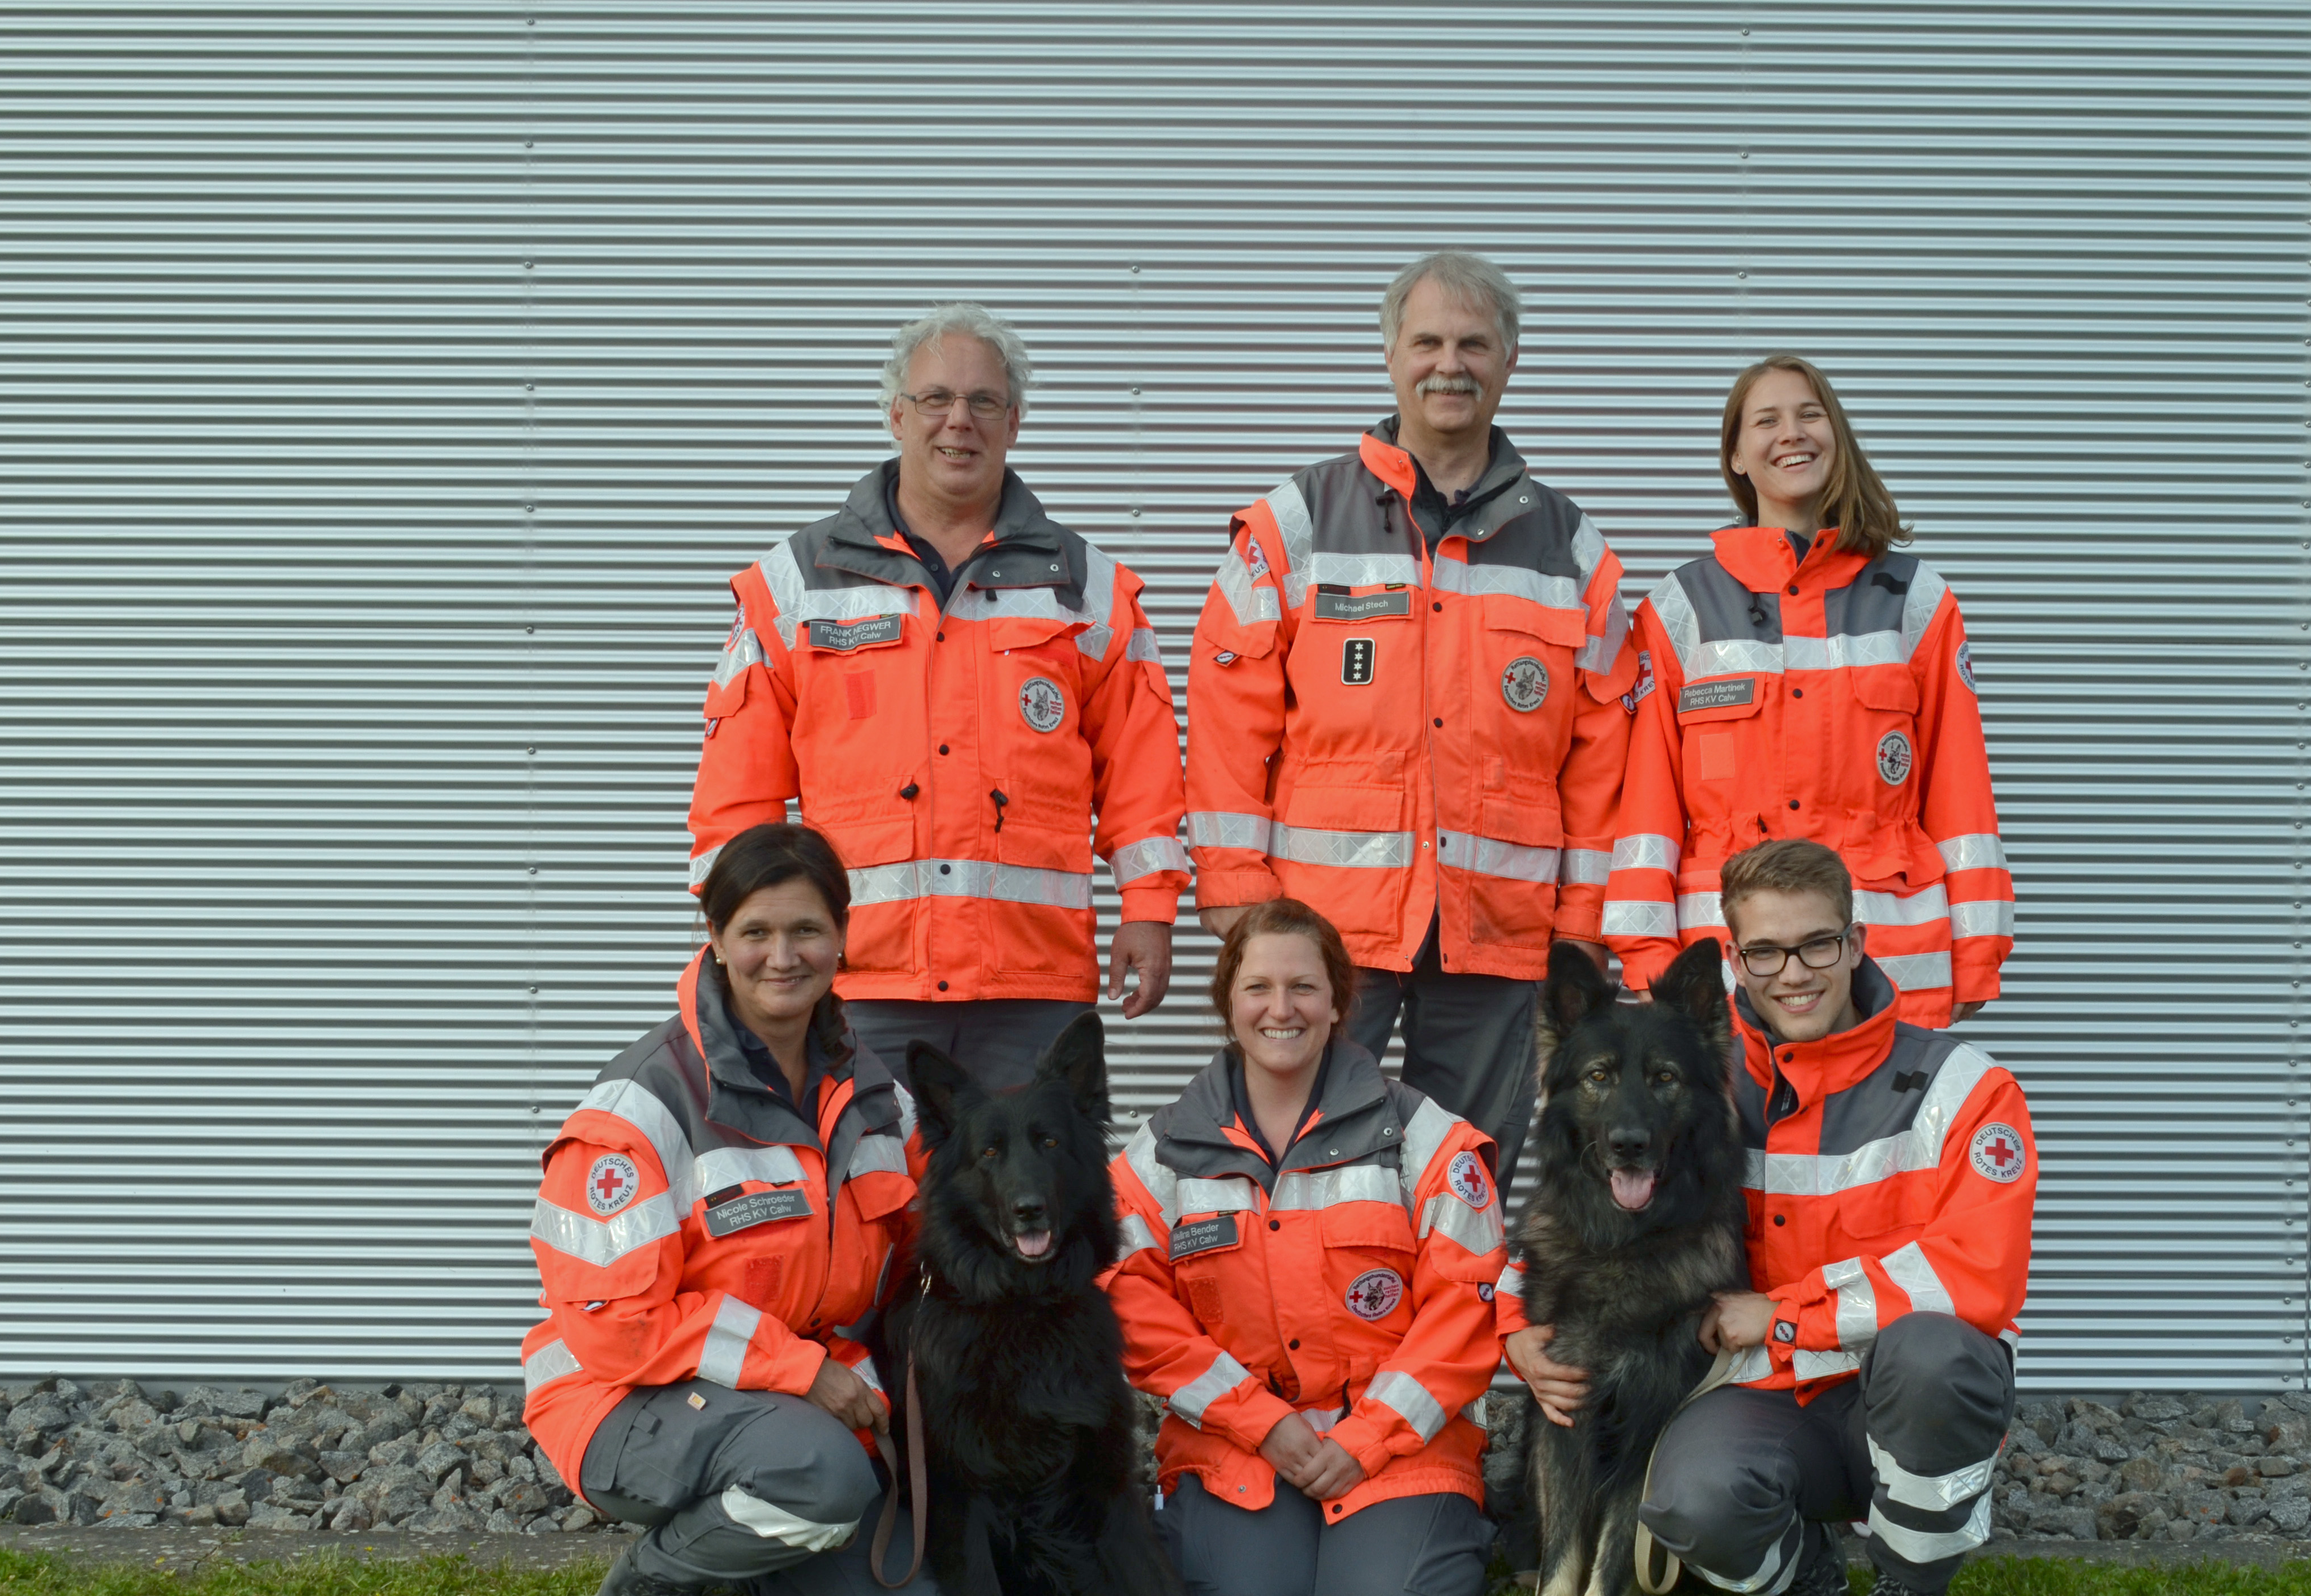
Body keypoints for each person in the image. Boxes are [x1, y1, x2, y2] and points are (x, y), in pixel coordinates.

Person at [1506, 839, 2033, 1596]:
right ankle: (1800, 1568)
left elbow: (1978, 1274)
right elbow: (1573, 1222)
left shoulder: (1961, 1087)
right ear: (1738, 965)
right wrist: (1514, 1333)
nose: (1794, 973)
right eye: (1765, 952)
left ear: (1857, 944)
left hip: (1894, 1395)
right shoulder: (1705, 1079)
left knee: (1936, 1355)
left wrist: (1784, 1316)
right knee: (1686, 1500)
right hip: (1769, 1396)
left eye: (1817, 945)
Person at [1184, 252, 1639, 1182]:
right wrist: (1234, 892)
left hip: (1501, 926)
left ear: (1509, 360)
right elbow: (1229, 718)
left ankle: (1448, 1329)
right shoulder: (1297, 522)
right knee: (1299, 1155)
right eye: (1426, 340)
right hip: (1323, 923)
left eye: (1473, 343)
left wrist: (1584, 920)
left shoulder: (1569, 546)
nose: (1449, 362)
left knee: (1465, 1171)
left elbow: (1603, 754)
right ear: (1390, 355)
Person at [689, 302, 1189, 1089]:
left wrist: (1151, 909)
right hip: (858, 975)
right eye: (935, 399)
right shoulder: (796, 586)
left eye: (984, 401)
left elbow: (1144, 774)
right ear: (896, 415)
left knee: (1027, 1208)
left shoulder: (1088, 588)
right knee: (866, 1203)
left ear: (1015, 422)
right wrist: (739, 940)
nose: (960, 421)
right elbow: (736, 797)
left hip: (1033, 980)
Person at [519, 823, 956, 1596]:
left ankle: (757, 1562)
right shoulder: (644, 1108)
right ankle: (646, 1594)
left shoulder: (872, 1095)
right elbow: (617, 1326)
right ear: (715, 941)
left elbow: (936, 1234)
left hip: (792, 1407)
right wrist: (804, 1375)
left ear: (842, 938)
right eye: (756, 932)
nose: (782, 956)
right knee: (820, 1474)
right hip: (622, 1399)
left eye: (807, 931)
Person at [1106, 898, 1507, 1596]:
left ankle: (1438, 1531)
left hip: (1400, 1442)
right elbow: (1128, 1302)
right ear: (1229, 1002)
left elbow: (1465, 1311)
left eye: (1304, 988)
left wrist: (1368, 1439)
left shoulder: (1425, 1139)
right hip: (1242, 1440)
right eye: (1257, 987)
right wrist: (1265, 1424)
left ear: (1337, 1003)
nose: (1279, 1009)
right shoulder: (1162, 1150)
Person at [1603, 356, 2014, 1029]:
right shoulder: (1680, 610)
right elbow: (1645, 812)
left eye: (1808, 414)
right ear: (1735, 455)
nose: (1789, 433)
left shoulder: (1915, 602)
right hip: (1726, 963)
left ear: (1836, 434)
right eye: (1765, 421)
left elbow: (1960, 796)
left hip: (1887, 962)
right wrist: (1650, 959)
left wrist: (1975, 955)